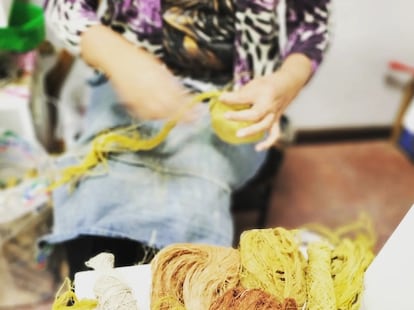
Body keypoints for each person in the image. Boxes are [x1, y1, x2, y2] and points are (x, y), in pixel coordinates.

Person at [40, 0, 331, 279]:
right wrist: (119, 56)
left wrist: (284, 84)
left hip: (235, 102)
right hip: (125, 84)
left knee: (190, 226)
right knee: (96, 206)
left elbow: (311, 26)